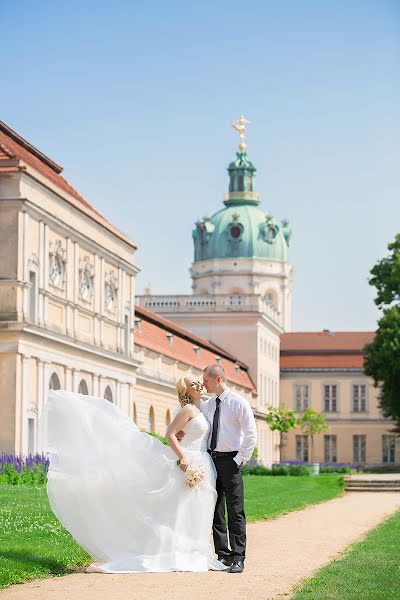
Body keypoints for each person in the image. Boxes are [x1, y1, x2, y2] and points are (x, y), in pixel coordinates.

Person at [40, 375, 226, 573]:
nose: (197, 385)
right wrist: (183, 458)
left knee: (198, 509)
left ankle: (195, 554)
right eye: (192, 384)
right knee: (181, 509)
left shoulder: (203, 408)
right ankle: (177, 553)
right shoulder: (188, 409)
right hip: (188, 462)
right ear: (186, 392)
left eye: (197, 381)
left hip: (203, 462)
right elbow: (170, 433)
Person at [178, 364, 257, 573]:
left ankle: (238, 557)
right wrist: (181, 434)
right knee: (216, 510)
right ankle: (223, 555)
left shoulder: (238, 403)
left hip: (231, 461)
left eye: (206, 381)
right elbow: (195, 423)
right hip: (210, 461)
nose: (203, 384)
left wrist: (238, 460)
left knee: (235, 510)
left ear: (218, 379)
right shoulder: (208, 404)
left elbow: (251, 434)